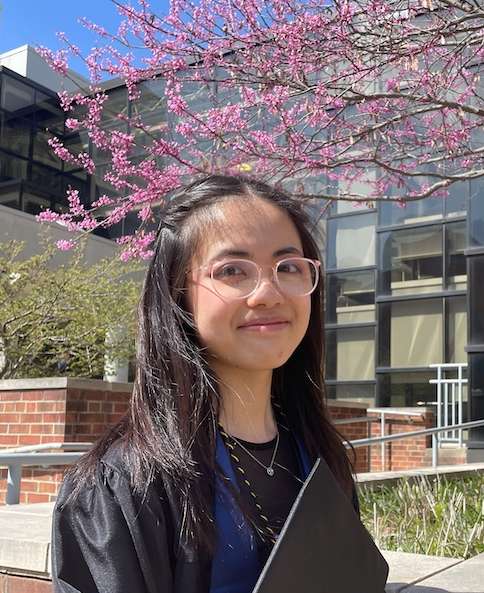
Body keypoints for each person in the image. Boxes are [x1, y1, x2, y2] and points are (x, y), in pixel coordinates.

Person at [52, 175, 362, 593]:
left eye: (287, 266)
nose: (268, 293)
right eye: (232, 270)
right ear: (176, 293)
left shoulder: (323, 457)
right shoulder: (125, 488)